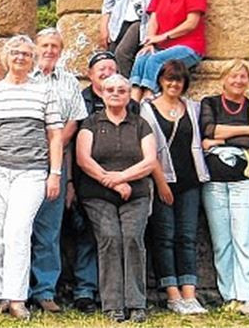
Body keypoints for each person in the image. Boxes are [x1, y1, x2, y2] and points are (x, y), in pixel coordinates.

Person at [0, 36, 63, 320]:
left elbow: (55, 135)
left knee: (18, 230)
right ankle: (2, 294)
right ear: (6, 57)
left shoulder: (44, 92)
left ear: (32, 59)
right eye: (15, 53)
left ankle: (18, 297)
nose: (20, 57)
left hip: (32, 170)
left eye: (25, 54)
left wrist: (55, 173)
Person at [76, 74, 157, 323]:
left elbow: (150, 161)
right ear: (101, 93)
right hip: (98, 194)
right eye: (110, 89)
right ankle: (112, 304)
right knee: (109, 238)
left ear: (129, 95)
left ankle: (136, 303)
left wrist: (122, 177)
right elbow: (83, 159)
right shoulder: (91, 123)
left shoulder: (140, 124)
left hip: (136, 192)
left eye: (121, 90)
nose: (115, 94)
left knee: (133, 238)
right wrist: (110, 181)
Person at [199, 59, 249, 315]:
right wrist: (247, 130)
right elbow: (207, 129)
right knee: (222, 242)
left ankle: (246, 295)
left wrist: (220, 140)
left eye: (243, 76)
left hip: (245, 182)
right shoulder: (210, 103)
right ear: (223, 78)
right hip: (215, 184)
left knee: (245, 240)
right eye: (233, 76)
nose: (238, 81)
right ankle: (229, 295)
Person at [138, 60, 209, 315]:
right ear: (160, 80)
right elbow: (148, 150)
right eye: (169, 78)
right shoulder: (147, 109)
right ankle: (172, 293)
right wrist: (161, 183)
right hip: (162, 181)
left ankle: (189, 293)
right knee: (164, 237)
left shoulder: (192, 108)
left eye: (179, 80)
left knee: (187, 237)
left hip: (190, 180)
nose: (174, 84)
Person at [27, 28, 88, 312]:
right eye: (45, 45)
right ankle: (18, 289)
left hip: (56, 162)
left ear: (61, 51)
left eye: (55, 46)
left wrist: (54, 145)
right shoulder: (23, 77)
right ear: (35, 47)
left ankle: (44, 290)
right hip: (24, 160)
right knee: (19, 227)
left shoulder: (69, 81)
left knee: (48, 229)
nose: (49, 50)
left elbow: (74, 119)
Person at [129, 0, 206, 102]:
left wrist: (163, 37)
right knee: (142, 57)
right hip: (162, 46)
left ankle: (149, 98)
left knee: (155, 60)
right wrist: (150, 42)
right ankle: (132, 102)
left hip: (189, 46)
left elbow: (191, 23)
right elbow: (153, 19)